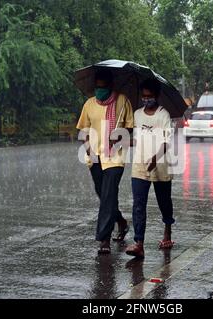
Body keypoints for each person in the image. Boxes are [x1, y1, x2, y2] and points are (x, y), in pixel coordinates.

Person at [76, 69, 134, 254]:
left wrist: (119, 137)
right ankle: (121, 221)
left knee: (108, 195)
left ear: (110, 86)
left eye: (103, 87)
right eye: (97, 87)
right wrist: (88, 149)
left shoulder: (122, 102)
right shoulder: (89, 104)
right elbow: (83, 131)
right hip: (95, 157)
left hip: (115, 157)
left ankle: (104, 239)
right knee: (104, 196)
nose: (99, 90)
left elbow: (130, 129)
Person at [125, 79, 175, 259]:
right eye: (144, 96)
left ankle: (167, 230)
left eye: (150, 96)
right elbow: (137, 139)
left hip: (161, 166)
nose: (146, 99)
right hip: (140, 166)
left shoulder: (164, 115)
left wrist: (155, 158)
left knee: (164, 203)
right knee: (138, 205)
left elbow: (166, 141)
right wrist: (122, 141)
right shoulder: (137, 114)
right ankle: (139, 243)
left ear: (156, 96)